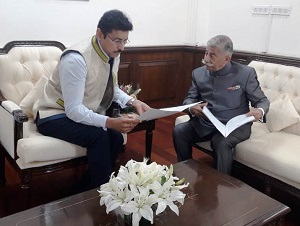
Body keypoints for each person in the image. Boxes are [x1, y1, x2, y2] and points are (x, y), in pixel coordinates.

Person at [35, 9, 150, 189]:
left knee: (117, 139)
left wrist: (133, 101)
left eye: (125, 41)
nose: (121, 47)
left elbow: (111, 88)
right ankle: (103, 191)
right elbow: (73, 110)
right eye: (117, 40)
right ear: (100, 34)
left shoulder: (112, 54)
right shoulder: (76, 59)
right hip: (53, 114)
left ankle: (88, 186)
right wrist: (109, 122)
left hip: (77, 112)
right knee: (99, 136)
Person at [173, 35, 269, 175]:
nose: (206, 59)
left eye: (212, 55)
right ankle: (185, 173)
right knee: (179, 131)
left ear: (227, 59)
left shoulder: (245, 73)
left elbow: (262, 101)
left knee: (220, 143)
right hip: (207, 122)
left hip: (235, 126)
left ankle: (222, 186)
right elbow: (189, 99)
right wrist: (192, 108)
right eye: (206, 52)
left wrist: (260, 111)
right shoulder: (198, 73)